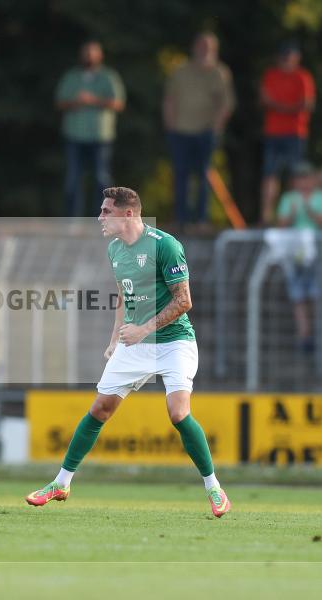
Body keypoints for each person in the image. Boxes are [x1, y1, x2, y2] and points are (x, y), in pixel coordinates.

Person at [25, 186, 231, 518]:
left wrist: (143, 329)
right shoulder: (115, 250)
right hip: (134, 343)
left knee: (178, 413)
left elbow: (184, 301)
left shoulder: (166, 247)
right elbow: (125, 296)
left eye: (107, 211)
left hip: (174, 341)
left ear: (129, 214)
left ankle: (214, 488)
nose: (100, 217)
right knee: (100, 409)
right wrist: (114, 338)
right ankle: (61, 483)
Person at [163, 32, 235, 229]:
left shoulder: (219, 72)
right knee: (180, 175)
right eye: (201, 45)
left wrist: (216, 129)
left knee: (203, 176)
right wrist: (170, 126)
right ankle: (180, 219)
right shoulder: (180, 71)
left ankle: (201, 220)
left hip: (206, 132)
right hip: (180, 131)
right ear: (194, 47)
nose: (204, 50)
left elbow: (226, 104)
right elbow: (170, 100)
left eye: (208, 47)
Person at [55, 41, 126, 217]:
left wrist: (93, 100)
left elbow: (118, 103)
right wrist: (76, 102)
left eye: (92, 53)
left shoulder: (109, 77)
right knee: (73, 179)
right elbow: (60, 102)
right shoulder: (71, 77)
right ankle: (72, 220)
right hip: (74, 135)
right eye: (86, 53)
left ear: (100, 55)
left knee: (102, 179)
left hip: (100, 136)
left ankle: (104, 218)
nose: (89, 56)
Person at [276, 162, 322, 353]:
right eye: (300, 178)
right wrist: (293, 212)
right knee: (298, 295)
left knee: (316, 294)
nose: (303, 182)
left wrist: (309, 209)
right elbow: (282, 224)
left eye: (306, 178)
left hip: (318, 254)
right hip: (295, 255)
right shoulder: (288, 198)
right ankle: (305, 335)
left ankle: (320, 335)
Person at [260, 42, 316, 224]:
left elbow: (307, 104)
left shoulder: (303, 76)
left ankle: (293, 217)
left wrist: (279, 107)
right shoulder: (271, 75)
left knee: (296, 176)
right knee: (270, 174)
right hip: (274, 132)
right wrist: (291, 108)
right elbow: (264, 100)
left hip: (295, 133)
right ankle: (266, 216)